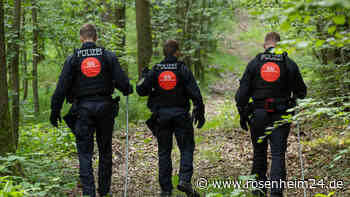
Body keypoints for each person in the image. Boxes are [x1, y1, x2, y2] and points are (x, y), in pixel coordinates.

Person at [50, 24, 133, 197]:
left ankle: (89, 192)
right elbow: (123, 84)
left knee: (85, 152)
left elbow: (61, 87)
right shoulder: (107, 56)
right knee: (105, 151)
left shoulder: (73, 58)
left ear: (81, 38)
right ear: (96, 37)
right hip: (105, 108)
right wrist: (127, 88)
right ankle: (104, 191)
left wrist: (55, 110)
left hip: (83, 110)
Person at [235, 32, 307, 197]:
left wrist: (242, 112)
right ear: (279, 45)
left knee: (259, 152)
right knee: (277, 154)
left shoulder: (254, 63)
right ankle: (276, 193)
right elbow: (302, 92)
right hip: (281, 115)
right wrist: (294, 98)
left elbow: (241, 94)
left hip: (258, 115)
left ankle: (258, 191)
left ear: (264, 45)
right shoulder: (288, 63)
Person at [137, 40, 205, 197]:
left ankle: (166, 189)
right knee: (187, 148)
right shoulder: (183, 69)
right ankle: (184, 180)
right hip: (181, 115)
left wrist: (144, 77)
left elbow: (141, 90)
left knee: (164, 151)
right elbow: (195, 93)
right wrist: (199, 110)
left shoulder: (156, 70)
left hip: (161, 117)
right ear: (177, 52)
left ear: (163, 53)